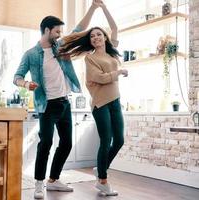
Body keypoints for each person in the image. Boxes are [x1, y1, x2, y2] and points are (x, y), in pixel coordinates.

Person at [13, 0, 101, 199]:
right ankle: (38, 183)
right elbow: (16, 77)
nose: (60, 35)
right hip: (47, 106)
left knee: (67, 143)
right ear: (46, 30)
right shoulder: (31, 55)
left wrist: (93, 7)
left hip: (64, 103)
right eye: (56, 32)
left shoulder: (59, 47)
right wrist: (26, 85)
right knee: (45, 144)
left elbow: (79, 29)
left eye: (60, 32)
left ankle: (53, 180)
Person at [58, 1, 128, 196]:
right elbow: (98, 78)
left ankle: (101, 167)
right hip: (100, 104)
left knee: (119, 140)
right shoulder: (90, 58)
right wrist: (119, 72)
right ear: (91, 41)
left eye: (99, 34)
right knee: (106, 140)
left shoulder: (112, 50)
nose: (96, 37)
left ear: (105, 37)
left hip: (115, 101)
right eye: (92, 35)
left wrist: (102, 7)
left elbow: (114, 27)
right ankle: (102, 182)